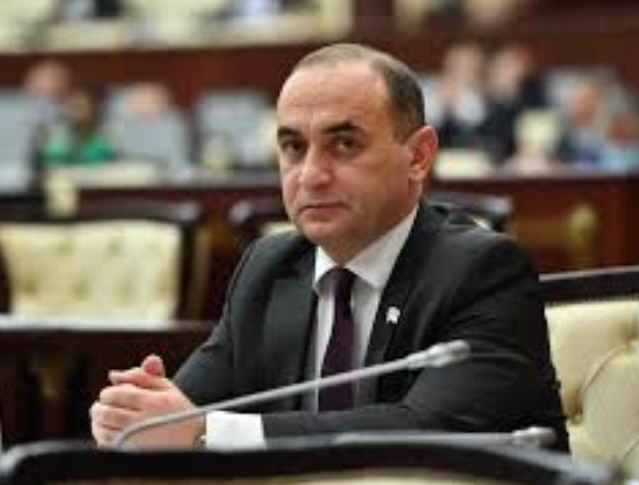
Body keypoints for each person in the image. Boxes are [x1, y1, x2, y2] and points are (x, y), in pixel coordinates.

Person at [89, 43, 568, 451]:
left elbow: (425, 434)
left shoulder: (483, 271)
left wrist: (206, 432)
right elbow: (185, 413)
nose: (311, 176)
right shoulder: (269, 267)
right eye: (293, 148)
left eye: (344, 145)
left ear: (418, 156)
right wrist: (138, 413)